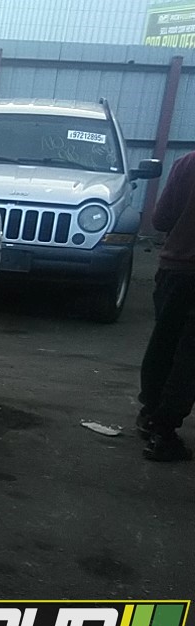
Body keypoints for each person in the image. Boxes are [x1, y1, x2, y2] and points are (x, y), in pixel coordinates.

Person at [138, 151, 195, 462]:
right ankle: (164, 430)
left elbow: (160, 220)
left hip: (175, 271)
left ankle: (150, 414)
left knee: (164, 343)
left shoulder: (187, 163)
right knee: (189, 358)